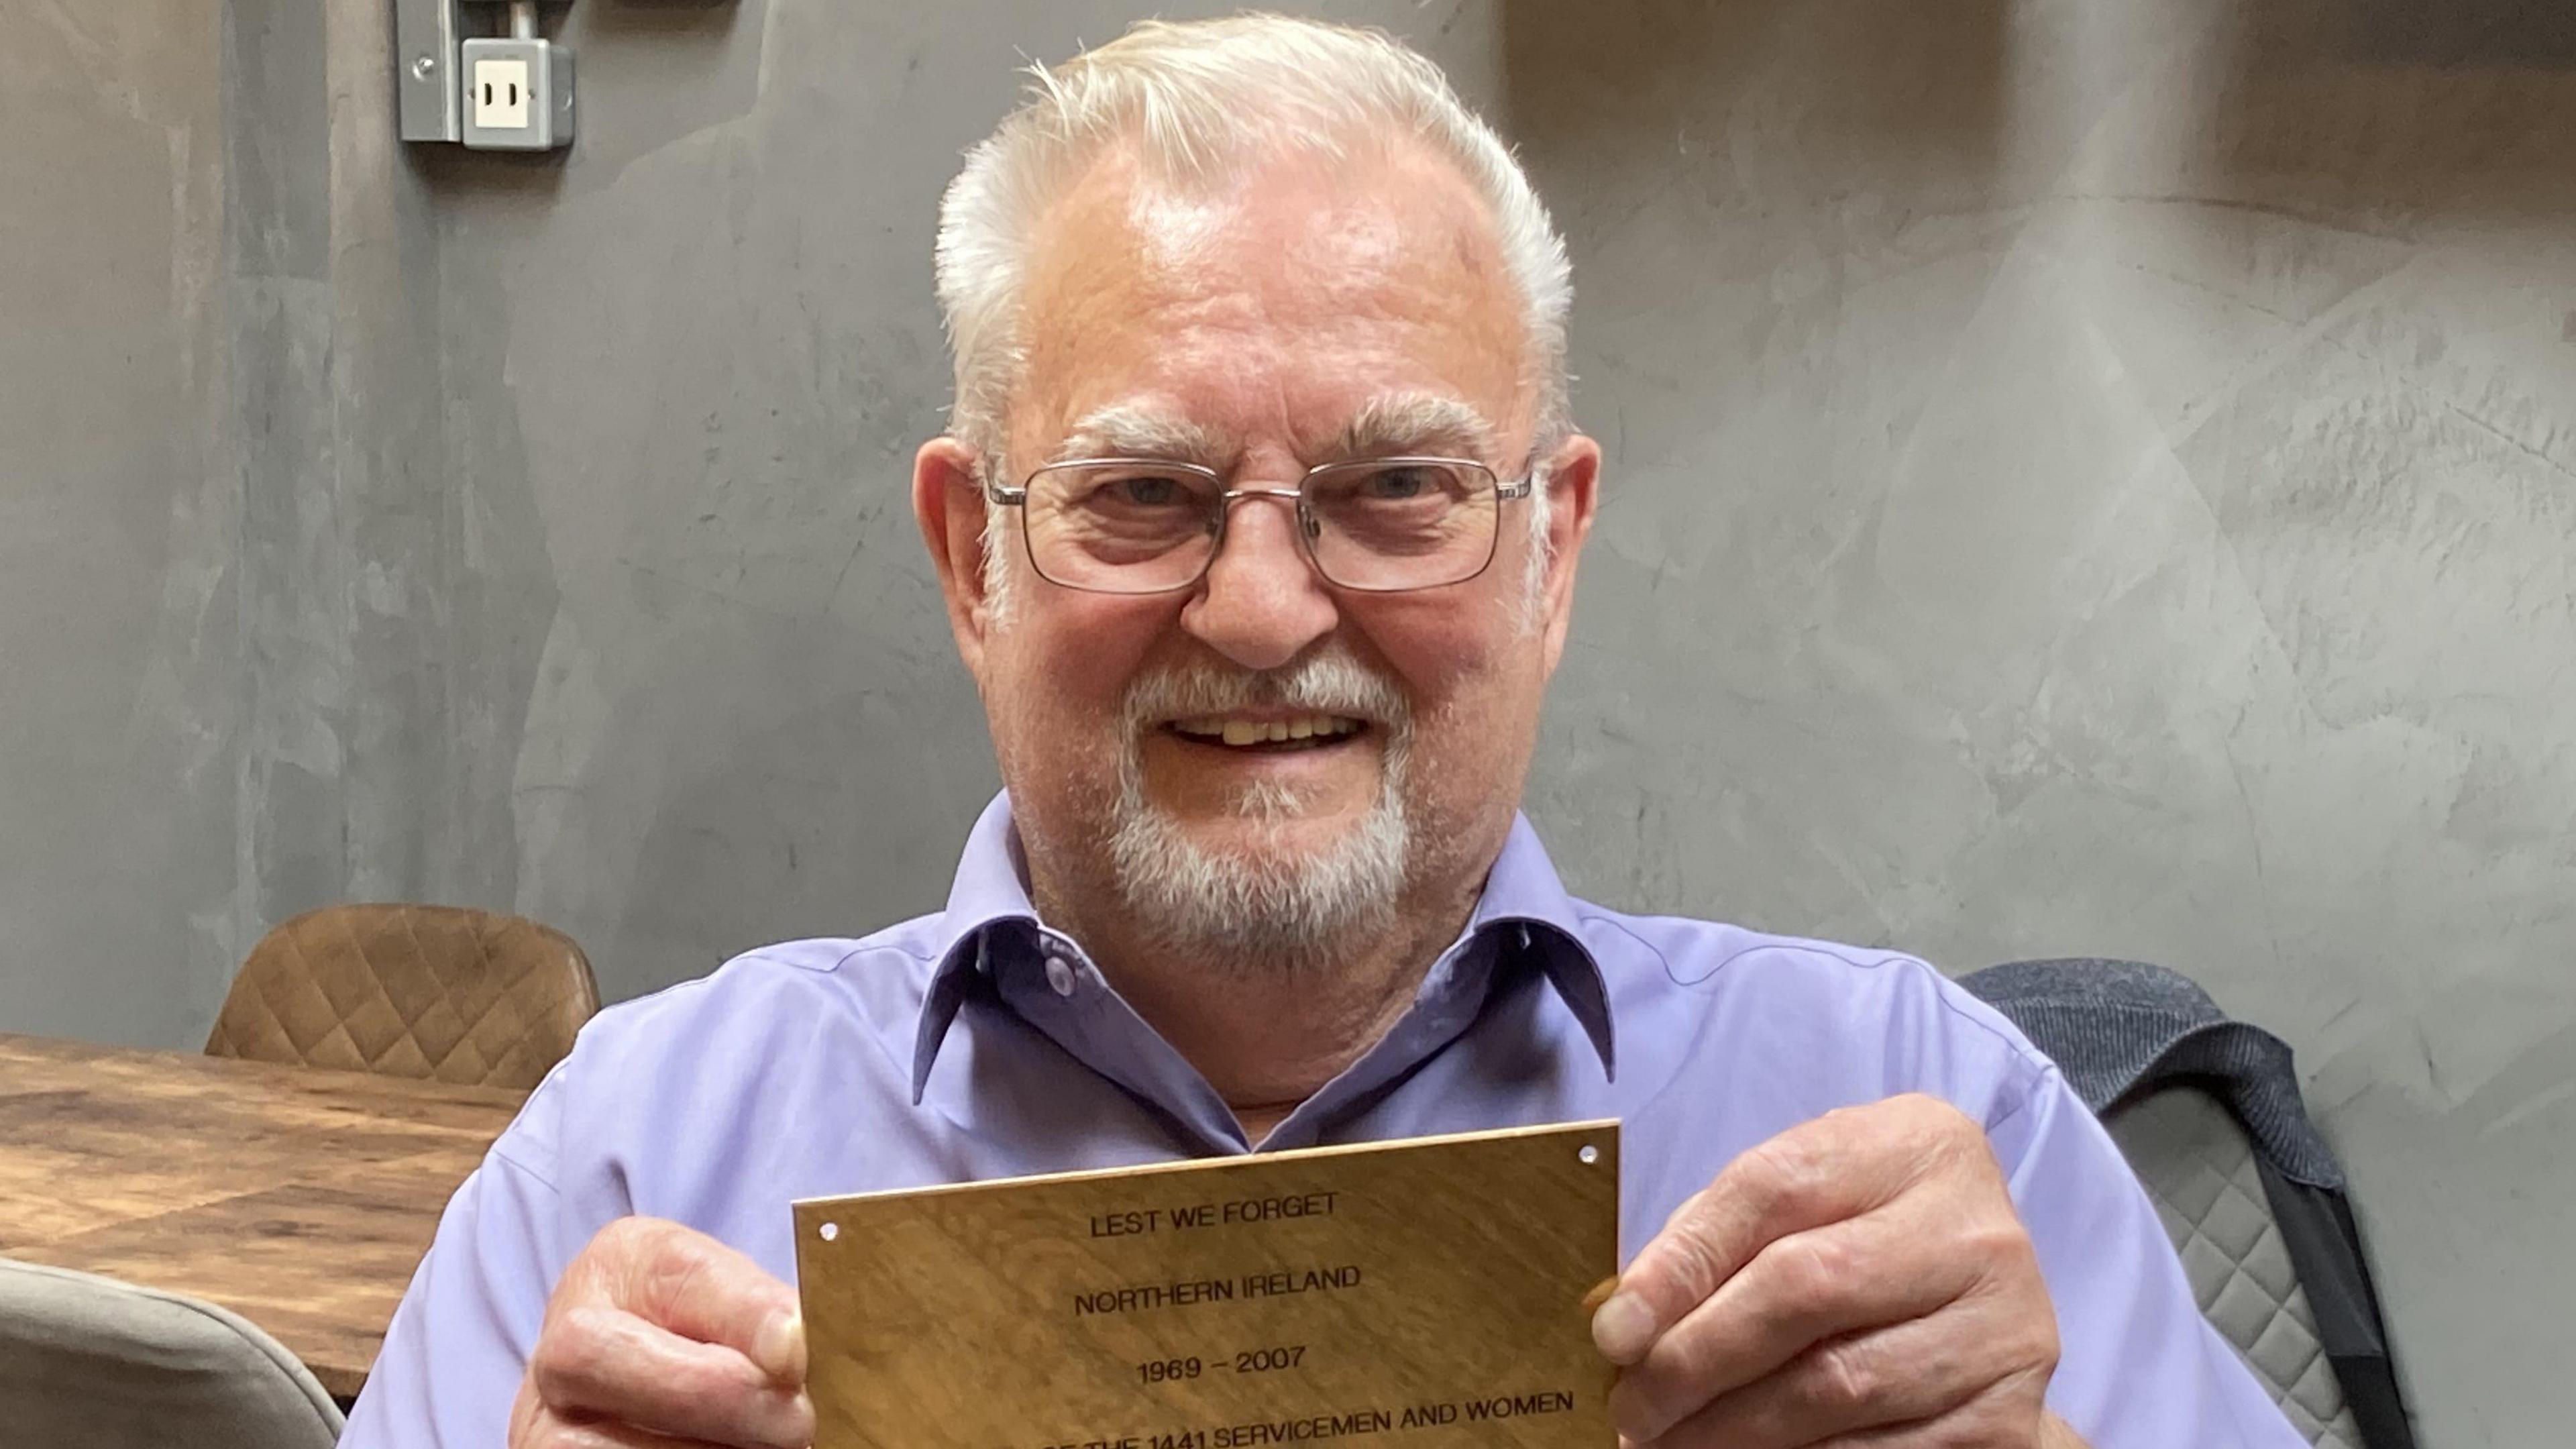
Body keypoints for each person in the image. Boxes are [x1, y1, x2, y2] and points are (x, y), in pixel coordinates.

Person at [344, 16, 2304, 1449]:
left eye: (1398, 489)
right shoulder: (625, 1168)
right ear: (970, 560)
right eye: (1141, 496)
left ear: (1550, 547)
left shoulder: (1911, 1124)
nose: (1267, 612)